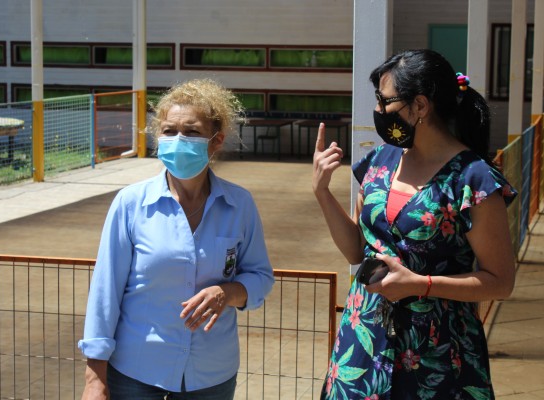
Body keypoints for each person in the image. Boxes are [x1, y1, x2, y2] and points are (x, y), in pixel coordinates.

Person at [312, 49, 517, 399]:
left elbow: (500, 282)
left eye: (385, 100)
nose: (378, 110)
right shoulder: (380, 161)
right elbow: (356, 251)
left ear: (420, 105)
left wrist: (420, 284)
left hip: (439, 354)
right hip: (365, 339)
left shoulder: (473, 179)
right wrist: (322, 192)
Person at [78, 78, 274, 399]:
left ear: (215, 141)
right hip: (137, 371)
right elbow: (105, 291)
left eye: (192, 132)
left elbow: (260, 276)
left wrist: (228, 293)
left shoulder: (240, 205)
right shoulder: (131, 203)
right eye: (169, 131)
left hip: (211, 374)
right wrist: (94, 377)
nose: (178, 140)